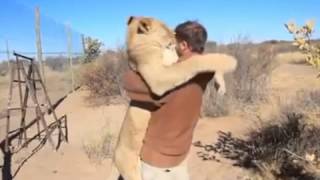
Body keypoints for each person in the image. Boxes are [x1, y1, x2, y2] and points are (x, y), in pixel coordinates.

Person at [122, 20, 214, 180]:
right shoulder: (207, 71)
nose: (173, 46)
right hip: (180, 155)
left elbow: (129, 83)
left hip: (157, 163)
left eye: (175, 43)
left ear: (184, 45)